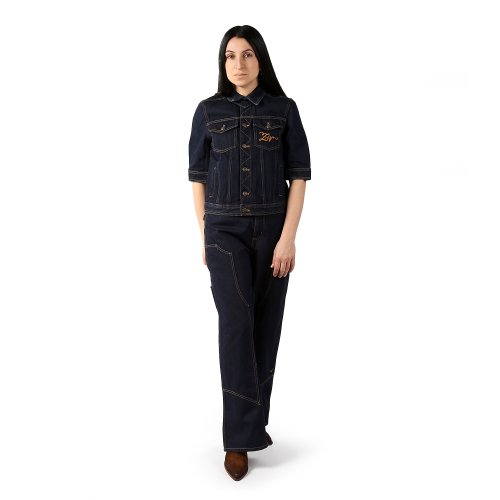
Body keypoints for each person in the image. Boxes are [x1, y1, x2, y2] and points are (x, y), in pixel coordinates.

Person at [188, 25, 311, 481]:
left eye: (246, 55)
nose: (237, 64)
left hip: (273, 232)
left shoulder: (284, 109)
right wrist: (205, 233)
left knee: (265, 326)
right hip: (224, 232)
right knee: (235, 326)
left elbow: (299, 176)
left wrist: (288, 237)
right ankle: (238, 440)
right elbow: (197, 177)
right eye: (229, 56)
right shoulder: (208, 111)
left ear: (261, 59)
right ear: (222, 63)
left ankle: (253, 425)